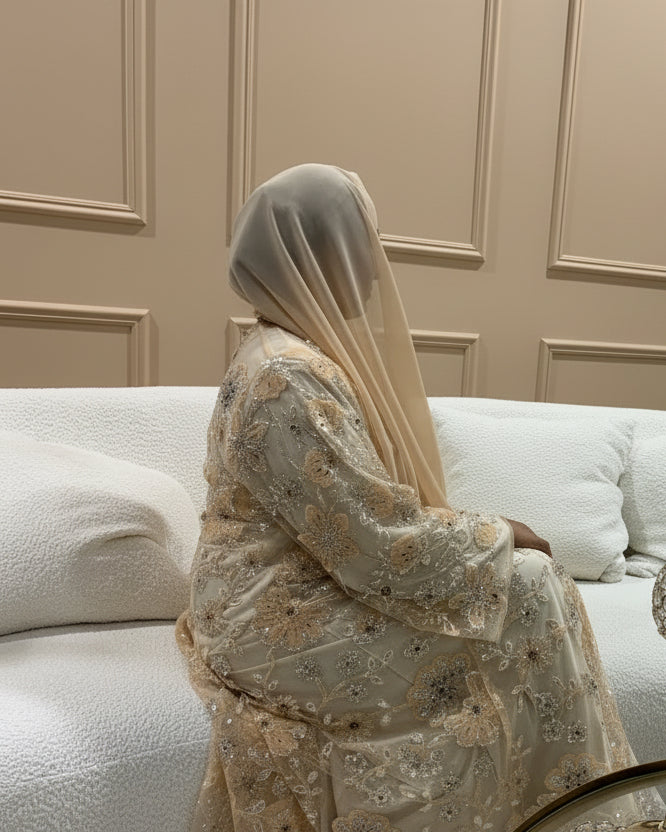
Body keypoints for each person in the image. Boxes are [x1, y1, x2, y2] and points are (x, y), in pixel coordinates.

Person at [174, 163, 665, 832]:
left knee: (526, 588)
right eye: (358, 246)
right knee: (529, 588)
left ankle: (574, 810)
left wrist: (484, 537)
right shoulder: (287, 375)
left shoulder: (283, 353)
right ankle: (580, 816)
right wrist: (497, 533)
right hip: (270, 614)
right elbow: (371, 540)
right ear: (313, 255)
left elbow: (357, 517)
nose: (372, 269)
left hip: (265, 593)